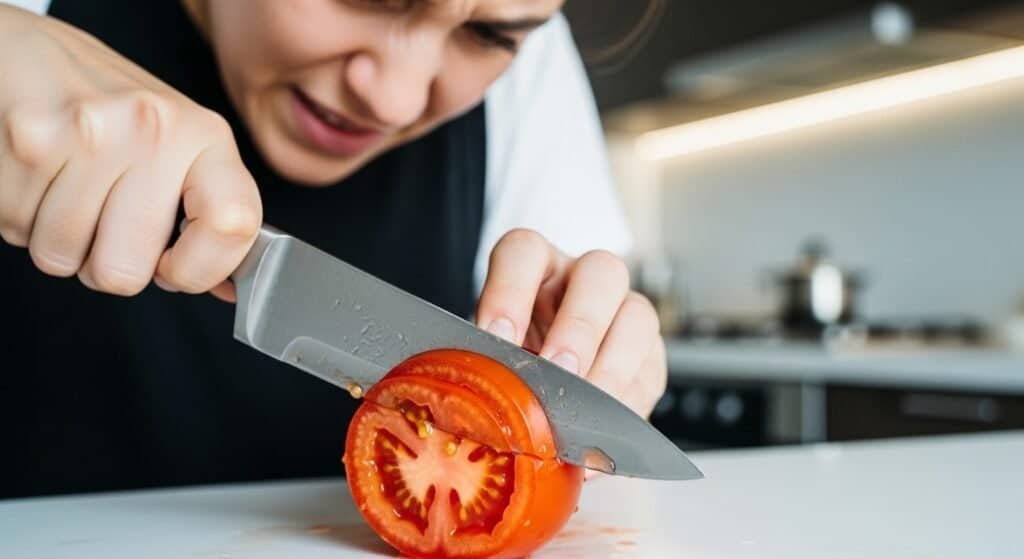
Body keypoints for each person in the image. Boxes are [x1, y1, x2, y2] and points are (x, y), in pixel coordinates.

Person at [0, 0, 667, 499]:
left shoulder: (533, 69)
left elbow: (587, 332)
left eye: (488, 36)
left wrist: (596, 340)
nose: (396, 98)